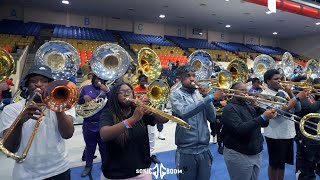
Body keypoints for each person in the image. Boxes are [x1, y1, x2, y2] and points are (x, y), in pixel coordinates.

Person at [0, 65, 76, 180]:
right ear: (27, 85)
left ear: (51, 85)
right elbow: (10, 148)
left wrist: (57, 108)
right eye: (33, 81)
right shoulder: (11, 109)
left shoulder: (63, 104)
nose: (39, 84)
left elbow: (68, 134)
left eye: (44, 81)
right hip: (27, 175)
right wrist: (19, 122)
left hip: (60, 170)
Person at [99, 82, 168, 179]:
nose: (126, 94)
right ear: (115, 96)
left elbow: (164, 119)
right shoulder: (109, 112)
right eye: (122, 92)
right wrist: (132, 120)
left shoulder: (138, 110)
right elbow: (104, 135)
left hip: (141, 172)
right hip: (115, 174)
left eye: (129, 91)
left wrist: (152, 109)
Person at [170, 65, 225, 180]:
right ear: (180, 78)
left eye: (194, 75)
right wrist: (209, 98)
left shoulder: (199, 94)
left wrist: (206, 96)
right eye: (188, 76)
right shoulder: (175, 94)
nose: (192, 79)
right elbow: (184, 112)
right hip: (186, 150)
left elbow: (212, 117)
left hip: (204, 149)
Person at [221, 82, 277, 180]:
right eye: (241, 91)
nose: (245, 93)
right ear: (233, 93)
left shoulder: (248, 105)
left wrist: (256, 106)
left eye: (246, 91)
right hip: (239, 153)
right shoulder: (229, 108)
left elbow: (264, 124)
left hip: (255, 151)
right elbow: (240, 130)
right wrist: (263, 116)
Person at [261, 69, 307, 180]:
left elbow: (298, 108)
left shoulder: (284, 92)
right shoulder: (264, 94)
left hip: (287, 133)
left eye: (280, 79)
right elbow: (277, 113)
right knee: (274, 163)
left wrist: (291, 93)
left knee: (282, 164)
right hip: (275, 134)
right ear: (268, 81)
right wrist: (296, 98)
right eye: (276, 79)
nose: (280, 81)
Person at [78, 74, 110, 177]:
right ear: (93, 79)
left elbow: (114, 103)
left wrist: (108, 91)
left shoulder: (107, 89)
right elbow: (78, 102)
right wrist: (83, 97)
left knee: (104, 147)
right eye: (97, 79)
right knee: (89, 147)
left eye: (101, 79)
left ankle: (106, 165)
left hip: (103, 125)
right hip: (89, 124)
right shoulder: (86, 88)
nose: (98, 81)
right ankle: (88, 166)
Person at [294, 78, 320, 180]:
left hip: (317, 138)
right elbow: (308, 110)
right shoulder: (304, 97)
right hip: (306, 139)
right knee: (306, 170)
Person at [133, 74, 160, 164]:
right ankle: (141, 154)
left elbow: (156, 100)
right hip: (139, 115)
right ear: (139, 81)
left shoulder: (150, 89)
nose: (143, 83)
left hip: (150, 113)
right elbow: (133, 103)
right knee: (140, 135)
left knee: (151, 134)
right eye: (142, 81)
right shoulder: (135, 90)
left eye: (145, 81)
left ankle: (152, 154)